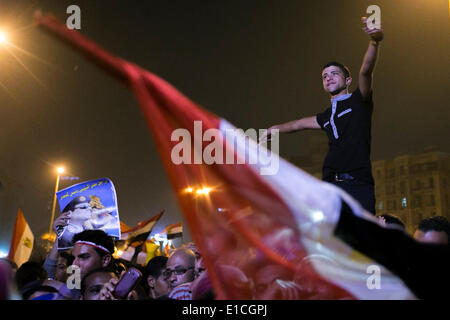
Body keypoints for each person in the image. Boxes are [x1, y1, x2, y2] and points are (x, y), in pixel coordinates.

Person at [260, 16, 384, 215]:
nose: (328, 78)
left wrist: (374, 41)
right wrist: (274, 129)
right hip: (329, 189)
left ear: (348, 79)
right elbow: (298, 125)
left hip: (357, 186)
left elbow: (366, 71)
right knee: (332, 241)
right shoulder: (326, 116)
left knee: (362, 242)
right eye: (325, 76)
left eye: (334, 73)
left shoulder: (359, 101)